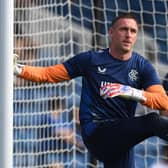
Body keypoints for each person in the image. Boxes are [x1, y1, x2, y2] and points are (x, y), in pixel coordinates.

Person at [13, 13, 168, 168]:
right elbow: (48, 74)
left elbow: (163, 102)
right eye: (124, 29)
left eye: (133, 31)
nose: (128, 35)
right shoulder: (91, 60)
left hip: (122, 137)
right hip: (97, 133)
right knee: (151, 121)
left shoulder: (142, 66)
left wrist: (130, 92)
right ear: (111, 32)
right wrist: (18, 69)